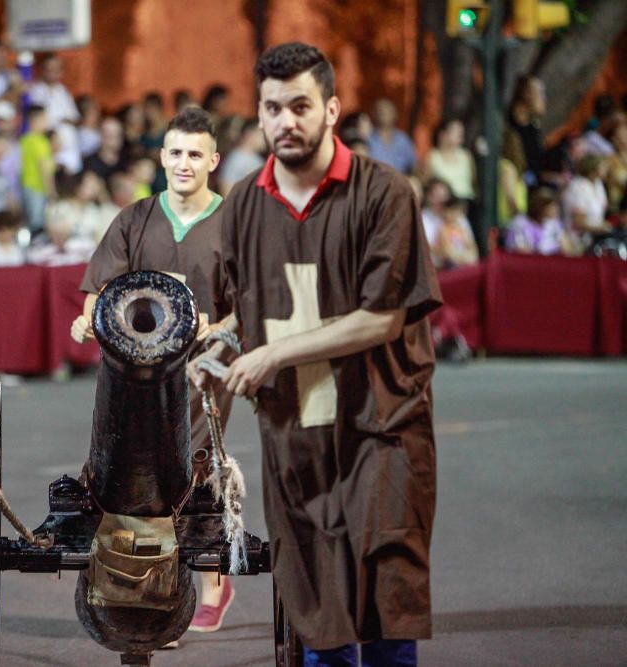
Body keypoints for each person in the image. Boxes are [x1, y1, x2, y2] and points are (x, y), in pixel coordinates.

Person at [189, 42, 440, 665]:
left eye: (300, 106)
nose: (285, 121)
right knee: (315, 607)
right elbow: (248, 310)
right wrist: (220, 347)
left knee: (386, 599)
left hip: (379, 428)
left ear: (331, 110)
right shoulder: (244, 201)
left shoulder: (384, 193)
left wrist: (273, 356)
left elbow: (383, 317)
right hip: (293, 434)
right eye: (272, 108)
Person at [72, 106, 239, 636]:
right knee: (135, 467)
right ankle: (140, 574)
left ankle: (212, 579)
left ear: (212, 160)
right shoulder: (135, 218)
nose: (184, 163)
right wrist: (86, 319)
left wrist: (219, 329)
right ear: (161, 157)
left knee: (194, 463)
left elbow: (251, 303)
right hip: (135, 370)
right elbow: (101, 290)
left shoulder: (232, 224)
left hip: (204, 368)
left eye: (195, 154)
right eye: (175, 153)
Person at [20, 106, 56, 234]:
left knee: (30, 221)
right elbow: (44, 169)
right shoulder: (40, 141)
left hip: (27, 186)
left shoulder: (24, 140)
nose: (47, 122)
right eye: (44, 119)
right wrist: (51, 192)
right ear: (34, 121)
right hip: (38, 188)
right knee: (37, 224)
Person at [368, 97, 416, 174]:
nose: (383, 113)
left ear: (395, 114)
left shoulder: (403, 140)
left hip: (399, 182)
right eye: (380, 110)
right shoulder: (368, 138)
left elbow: (412, 165)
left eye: (387, 110)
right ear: (373, 114)